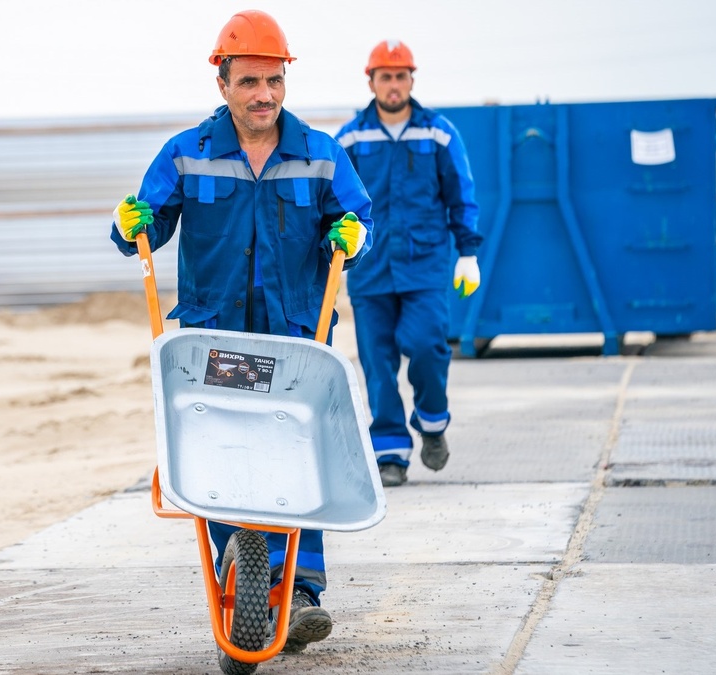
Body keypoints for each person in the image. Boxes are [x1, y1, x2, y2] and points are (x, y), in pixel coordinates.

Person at [110, 10, 374, 654]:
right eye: (250, 81)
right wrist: (127, 224)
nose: (265, 94)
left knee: (298, 451)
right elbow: (145, 228)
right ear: (223, 84)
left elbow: (357, 221)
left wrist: (353, 235)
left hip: (294, 335)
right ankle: (245, 566)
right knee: (221, 450)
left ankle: (301, 589)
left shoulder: (320, 154)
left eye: (274, 80)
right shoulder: (186, 153)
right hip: (214, 337)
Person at [333, 40, 483, 488]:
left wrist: (468, 251)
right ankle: (391, 453)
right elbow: (330, 201)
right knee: (377, 363)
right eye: (386, 77)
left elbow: (461, 194)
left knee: (427, 346)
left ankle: (432, 423)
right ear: (371, 82)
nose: (394, 85)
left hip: (424, 267)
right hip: (369, 269)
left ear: (411, 80)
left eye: (401, 76)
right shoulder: (350, 138)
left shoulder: (438, 133)